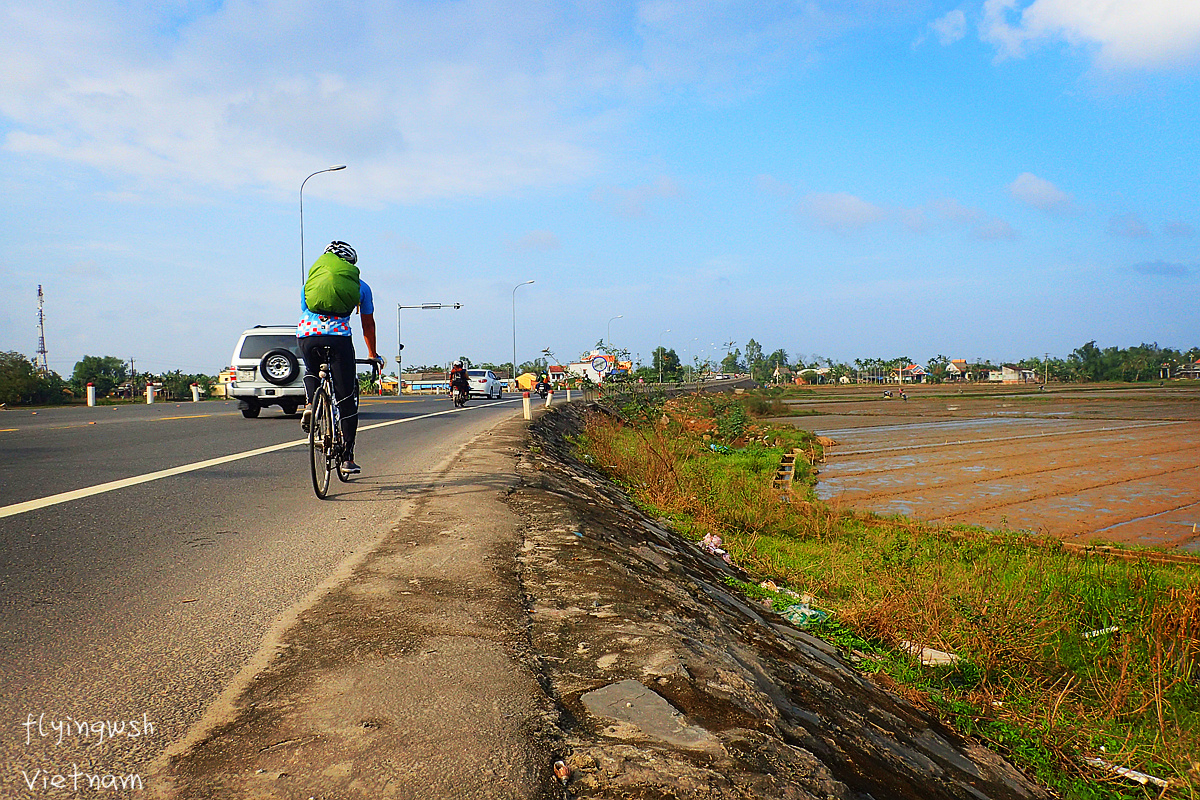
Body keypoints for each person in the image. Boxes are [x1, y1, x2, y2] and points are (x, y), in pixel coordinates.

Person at [298, 241, 381, 474]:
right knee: (346, 399)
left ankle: (311, 404)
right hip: (338, 339)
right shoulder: (361, 287)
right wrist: (372, 354)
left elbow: (306, 310)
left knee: (312, 371)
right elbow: (368, 325)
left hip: (307, 336)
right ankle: (347, 458)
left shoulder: (310, 285)